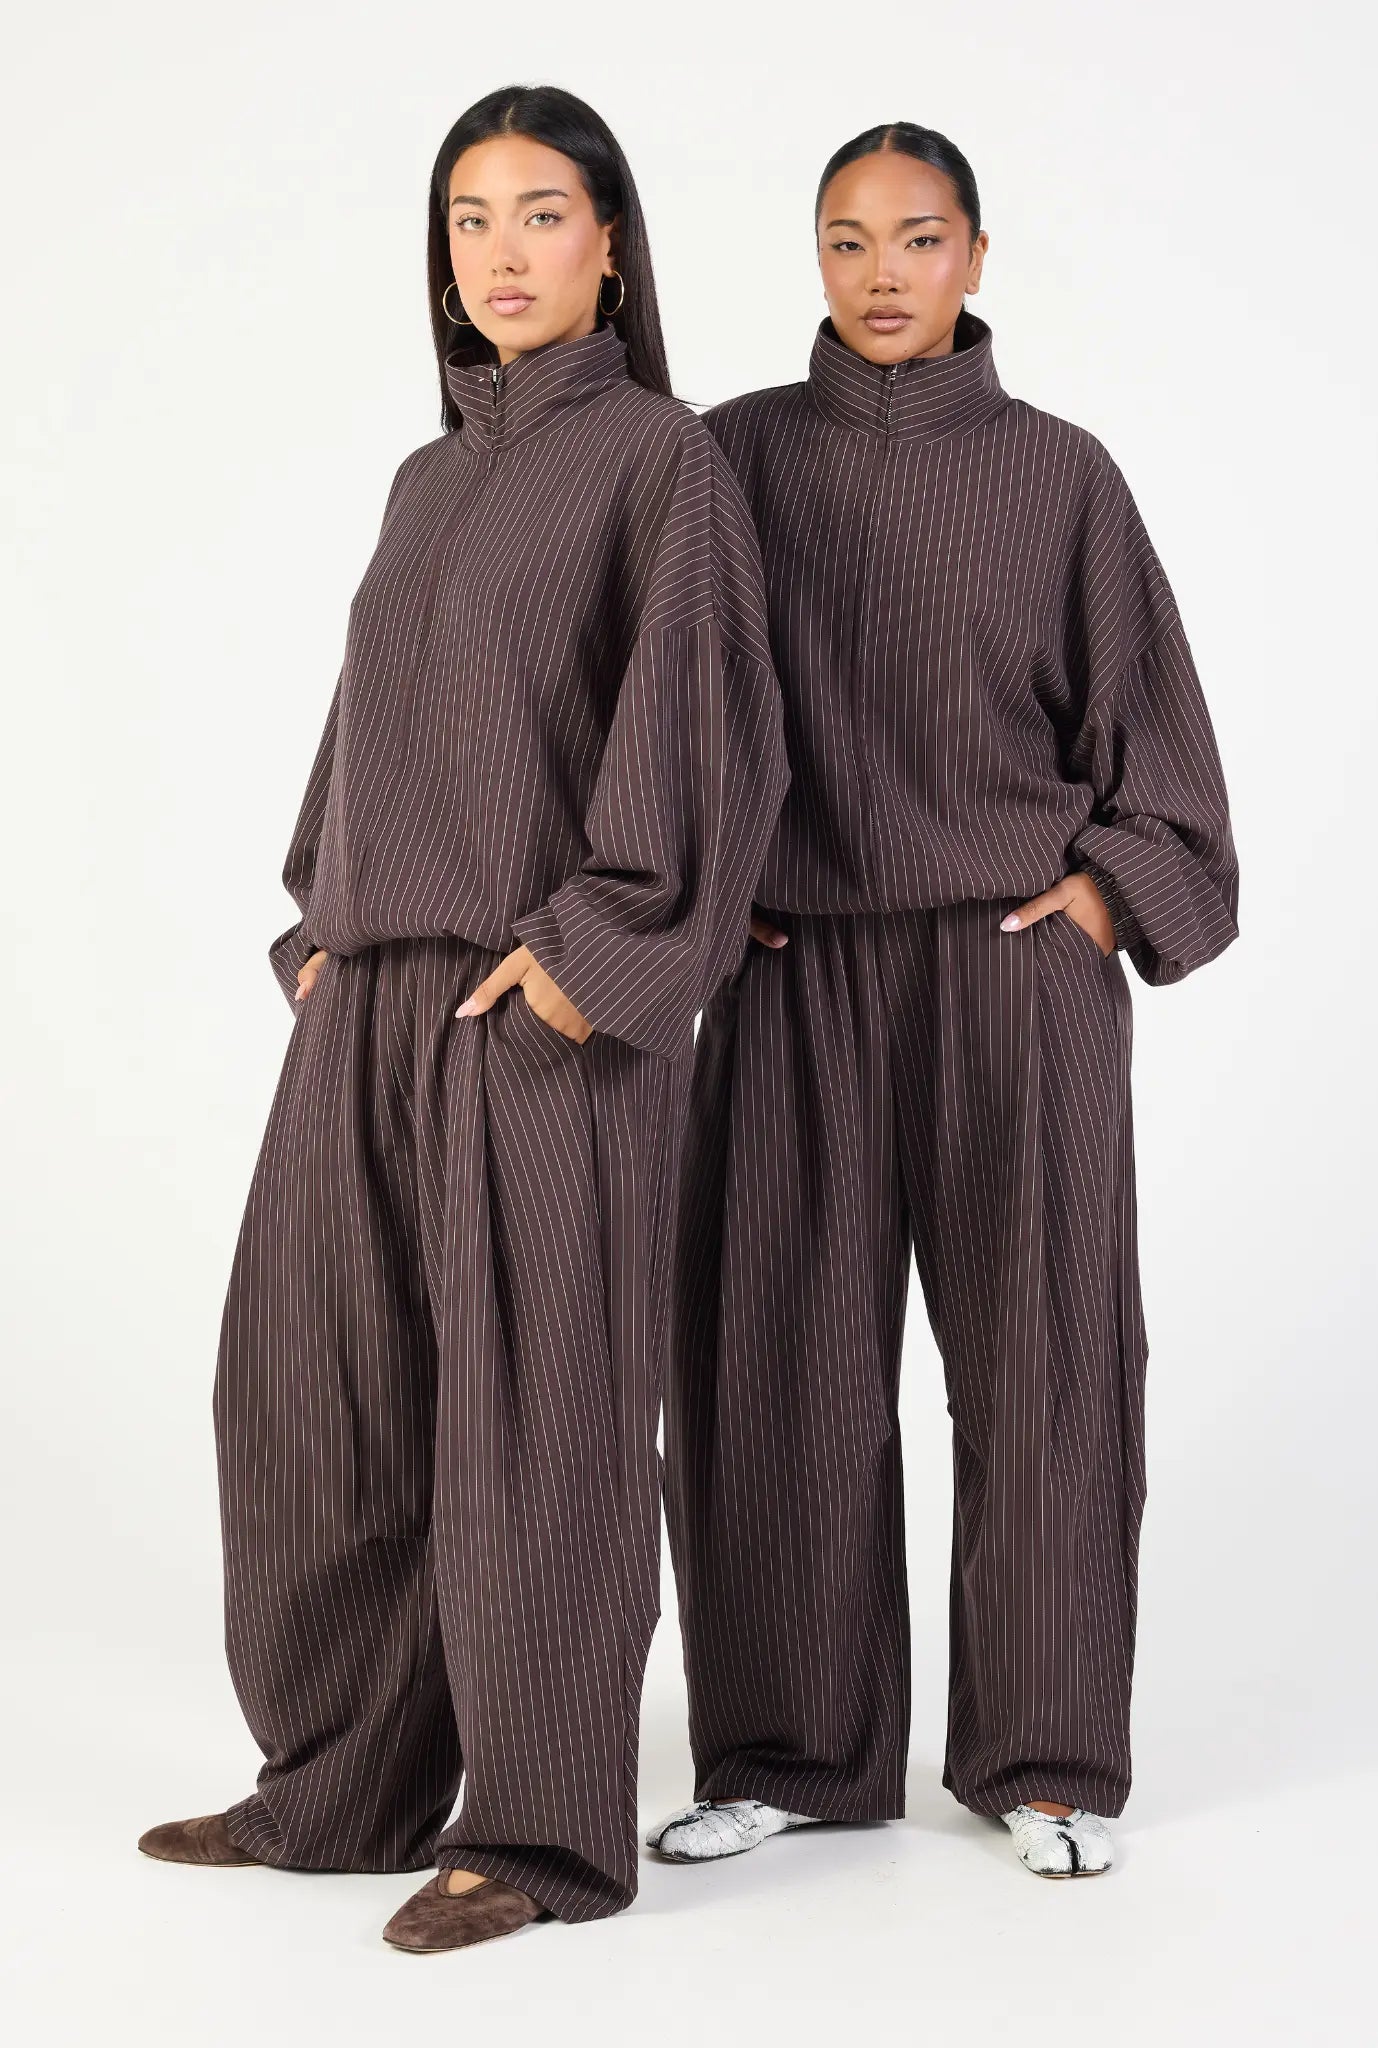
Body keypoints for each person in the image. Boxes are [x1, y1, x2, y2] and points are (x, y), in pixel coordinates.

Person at [137, 84, 788, 1949]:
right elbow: (372, 726)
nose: (502, 252)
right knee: (312, 1393)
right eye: (470, 219)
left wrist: (592, 957)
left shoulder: (660, 462)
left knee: (539, 1423)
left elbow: (703, 730)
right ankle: (339, 1784)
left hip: (539, 1004)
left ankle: (539, 1830)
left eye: (542, 213)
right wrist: (323, 932)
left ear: (612, 245)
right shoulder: (425, 480)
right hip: (370, 998)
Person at [651, 122, 1238, 1881]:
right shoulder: (729, 458)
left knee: (1046, 1356)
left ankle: (1044, 1759)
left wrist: (1101, 897)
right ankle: (789, 1754)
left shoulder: (1061, 476)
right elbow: (654, 706)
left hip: (1011, 971)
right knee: (771, 1361)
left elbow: (1161, 754)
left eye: (916, 238)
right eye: (846, 241)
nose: (882, 272)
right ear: (812, 260)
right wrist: (701, 895)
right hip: (790, 970)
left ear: (976, 255)